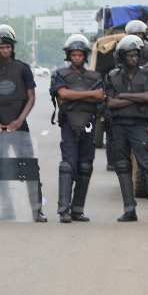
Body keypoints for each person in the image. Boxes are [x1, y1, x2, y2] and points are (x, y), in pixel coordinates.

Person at [0, 24, 46, 222]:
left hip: (19, 126)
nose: (5, 50)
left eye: (8, 47)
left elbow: (31, 97)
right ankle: (7, 210)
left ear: (12, 47)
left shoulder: (23, 69)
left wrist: (19, 120)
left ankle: (37, 210)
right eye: (1, 48)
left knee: (29, 168)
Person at [105, 35, 148, 224]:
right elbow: (110, 103)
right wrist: (132, 97)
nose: (133, 58)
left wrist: (123, 95)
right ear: (122, 56)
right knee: (122, 166)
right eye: (129, 56)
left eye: (135, 55)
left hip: (139, 124)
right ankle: (129, 210)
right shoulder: (112, 76)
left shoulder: (147, 74)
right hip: (119, 125)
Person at [53, 34, 105, 223]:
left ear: (85, 56)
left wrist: (73, 96)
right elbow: (62, 94)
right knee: (67, 166)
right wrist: (90, 94)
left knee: (85, 167)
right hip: (69, 123)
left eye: (80, 55)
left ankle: (77, 209)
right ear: (69, 55)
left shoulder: (94, 76)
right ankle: (63, 209)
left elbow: (100, 98)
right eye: (74, 55)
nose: (77, 58)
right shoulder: (61, 74)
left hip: (89, 124)